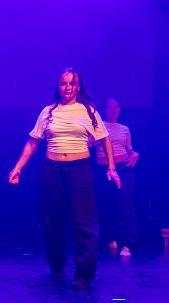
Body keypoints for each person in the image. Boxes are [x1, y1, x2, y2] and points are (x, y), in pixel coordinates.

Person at [8, 68, 121, 289]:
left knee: (83, 223)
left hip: (79, 169)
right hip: (52, 170)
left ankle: (84, 274)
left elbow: (104, 140)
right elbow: (33, 142)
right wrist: (18, 168)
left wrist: (111, 168)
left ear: (78, 87)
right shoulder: (48, 112)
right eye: (63, 83)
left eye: (72, 83)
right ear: (58, 86)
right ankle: (57, 264)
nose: (67, 87)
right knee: (53, 221)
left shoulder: (88, 111)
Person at [95, 98, 139, 257]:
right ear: (105, 109)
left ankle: (127, 244)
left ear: (119, 110)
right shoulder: (98, 127)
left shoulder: (124, 129)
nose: (113, 110)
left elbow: (130, 151)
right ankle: (109, 239)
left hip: (122, 168)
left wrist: (136, 154)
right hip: (102, 169)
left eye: (116, 107)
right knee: (105, 205)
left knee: (125, 205)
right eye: (109, 107)